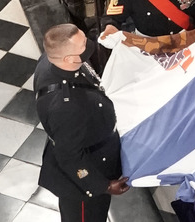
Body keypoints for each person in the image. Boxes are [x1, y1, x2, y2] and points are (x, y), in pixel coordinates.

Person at [34, 24, 130, 222]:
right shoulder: (66, 107)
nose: (89, 47)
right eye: (83, 46)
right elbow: (70, 157)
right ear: (68, 59)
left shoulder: (53, 62)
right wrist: (102, 186)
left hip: (88, 139)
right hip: (83, 179)